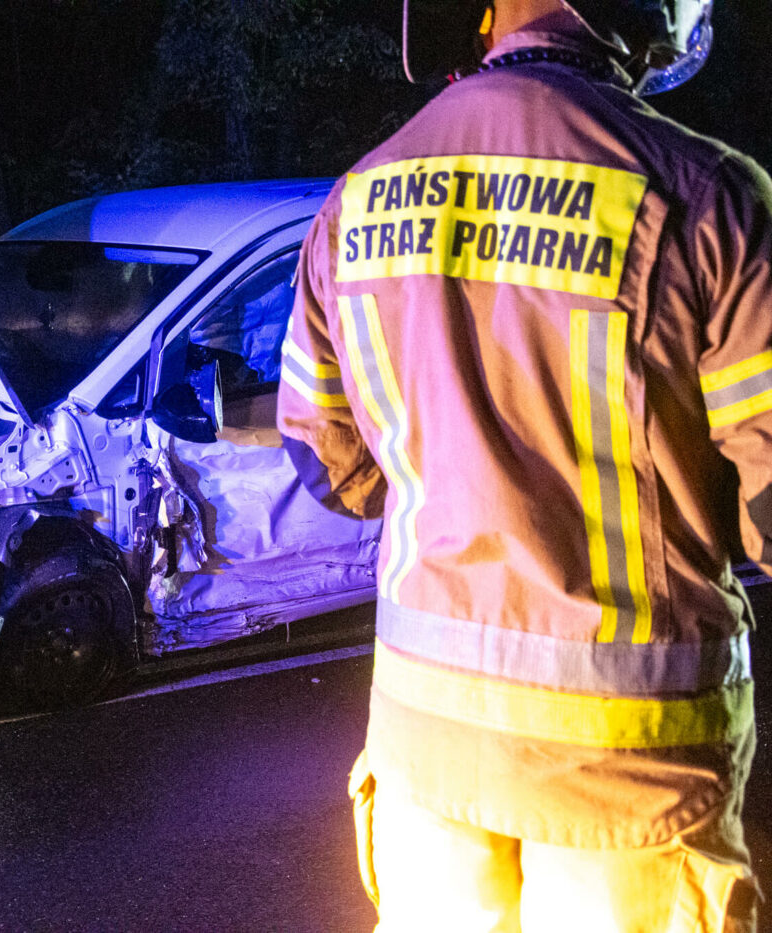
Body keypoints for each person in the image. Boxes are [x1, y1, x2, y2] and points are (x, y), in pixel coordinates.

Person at [275, 0, 767, 929]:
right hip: (631, 783)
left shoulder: (359, 198)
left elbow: (328, 465)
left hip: (431, 769)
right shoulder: (709, 195)